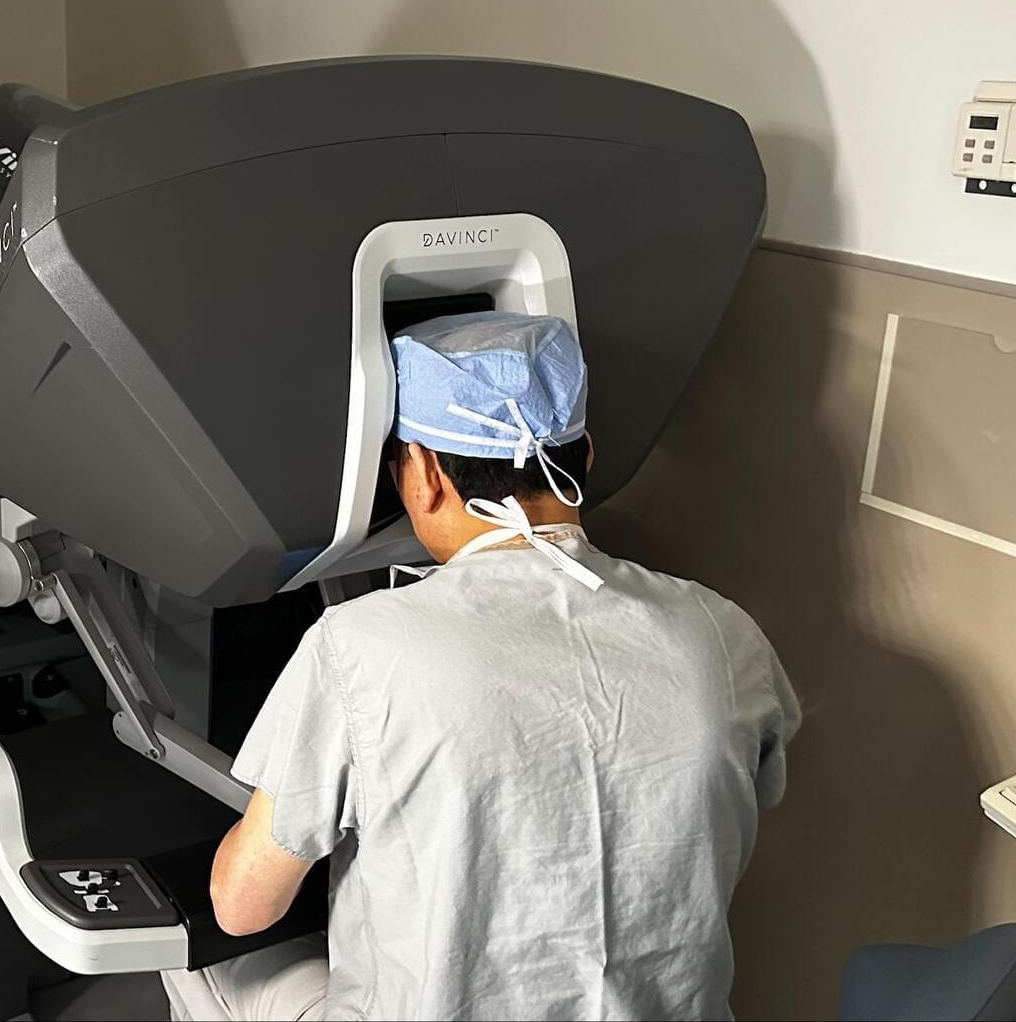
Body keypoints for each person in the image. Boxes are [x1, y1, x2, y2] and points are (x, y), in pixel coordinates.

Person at [160, 312, 800, 1021]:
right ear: (585, 454)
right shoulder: (723, 631)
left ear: (425, 475)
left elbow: (242, 906)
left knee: (199, 962)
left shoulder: (359, 646)